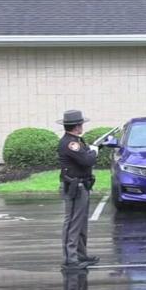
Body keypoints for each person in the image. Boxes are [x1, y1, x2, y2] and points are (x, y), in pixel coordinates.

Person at [57, 110, 100, 269]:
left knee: (81, 223)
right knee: (73, 224)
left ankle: (81, 255)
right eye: (81, 124)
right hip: (75, 187)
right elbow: (87, 160)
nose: (82, 126)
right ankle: (70, 258)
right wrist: (94, 151)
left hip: (82, 185)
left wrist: (92, 149)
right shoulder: (71, 143)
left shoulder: (76, 140)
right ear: (76, 126)